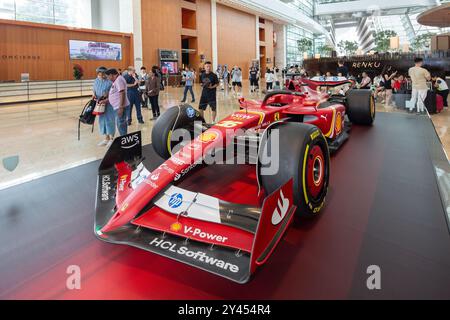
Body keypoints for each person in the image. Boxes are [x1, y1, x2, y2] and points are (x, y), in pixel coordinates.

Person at [92, 67, 115, 147]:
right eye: (99, 74)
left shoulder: (110, 82)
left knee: (109, 120)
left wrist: (107, 96)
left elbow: (113, 93)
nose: (101, 75)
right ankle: (106, 138)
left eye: (102, 74)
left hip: (109, 104)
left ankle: (112, 138)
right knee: (102, 121)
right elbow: (94, 90)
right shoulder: (96, 81)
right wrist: (94, 95)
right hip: (100, 104)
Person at [105, 68, 130, 136]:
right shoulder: (117, 80)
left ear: (111, 75)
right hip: (118, 106)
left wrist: (121, 107)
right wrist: (107, 100)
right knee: (120, 124)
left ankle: (124, 139)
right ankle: (123, 139)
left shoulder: (119, 80)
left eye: (107, 76)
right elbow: (116, 93)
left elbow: (122, 93)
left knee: (121, 124)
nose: (108, 78)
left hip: (120, 106)